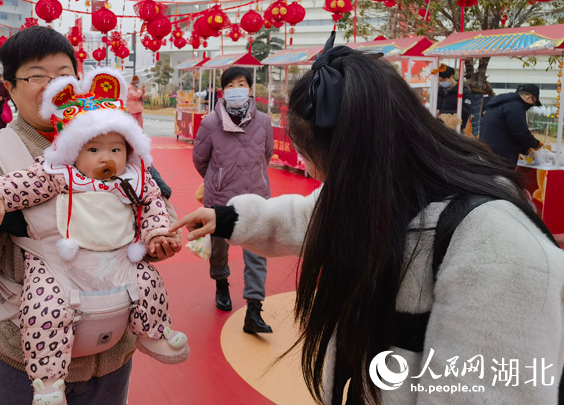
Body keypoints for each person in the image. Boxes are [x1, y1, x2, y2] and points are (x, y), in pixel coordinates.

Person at [171, 33, 564, 405]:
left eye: (313, 164)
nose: (311, 175)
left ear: (351, 153)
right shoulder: (378, 185)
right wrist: (225, 218)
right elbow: (308, 216)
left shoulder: (498, 249)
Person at [0, 26, 180, 405]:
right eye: (36, 76)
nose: (51, 84)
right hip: (25, 363)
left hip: (114, 354)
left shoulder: (117, 141)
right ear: (8, 86)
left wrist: (158, 239)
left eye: (62, 74)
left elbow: (156, 203)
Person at [0, 68, 188, 403]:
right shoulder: (60, 173)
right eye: (93, 150)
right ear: (74, 151)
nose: (106, 157)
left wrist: (157, 234)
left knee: (148, 281)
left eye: (116, 149)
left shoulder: (136, 179)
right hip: (60, 264)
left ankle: (154, 332)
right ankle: (48, 382)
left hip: (118, 259)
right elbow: (24, 184)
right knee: (45, 307)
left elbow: (152, 208)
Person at [191, 66, 274, 334]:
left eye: (241, 84)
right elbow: (200, 159)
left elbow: (267, 154)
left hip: (256, 198)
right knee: (219, 250)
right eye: (230, 85)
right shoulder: (210, 123)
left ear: (249, 89)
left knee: (257, 253)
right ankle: (221, 284)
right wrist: (218, 180)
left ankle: (254, 308)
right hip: (220, 199)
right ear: (223, 91)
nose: (236, 89)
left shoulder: (263, 121)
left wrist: (254, 177)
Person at [479, 84, 546, 168]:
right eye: (533, 102)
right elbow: (520, 132)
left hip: (486, 151)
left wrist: (525, 150)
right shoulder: (515, 106)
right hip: (501, 157)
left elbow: (509, 132)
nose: (531, 106)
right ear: (529, 97)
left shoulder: (500, 103)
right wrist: (536, 144)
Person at [435, 64, 472, 131]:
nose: (442, 82)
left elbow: (464, 113)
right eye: (440, 81)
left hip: (454, 129)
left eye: (444, 79)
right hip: (438, 128)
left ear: (452, 76)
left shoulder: (463, 92)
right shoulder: (438, 91)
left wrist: (441, 113)